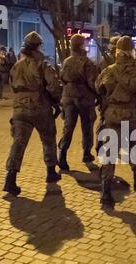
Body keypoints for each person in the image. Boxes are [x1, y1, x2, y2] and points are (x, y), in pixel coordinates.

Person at [95, 36, 136, 205]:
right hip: (133, 116)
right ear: (132, 51)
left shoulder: (107, 71)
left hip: (112, 116)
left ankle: (106, 191)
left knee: (109, 154)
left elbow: (98, 89)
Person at [3, 31, 63, 197]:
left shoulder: (16, 66)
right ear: (38, 46)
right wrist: (56, 101)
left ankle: (10, 177)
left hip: (20, 109)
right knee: (48, 139)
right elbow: (54, 86)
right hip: (40, 107)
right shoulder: (43, 64)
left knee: (18, 143)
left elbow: (12, 87)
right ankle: (51, 171)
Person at [58, 34, 98, 171]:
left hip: (69, 96)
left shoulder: (66, 61)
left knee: (68, 127)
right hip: (84, 98)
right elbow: (93, 83)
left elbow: (62, 78)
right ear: (81, 45)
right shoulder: (87, 63)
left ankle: (62, 154)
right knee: (87, 126)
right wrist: (99, 95)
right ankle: (86, 153)